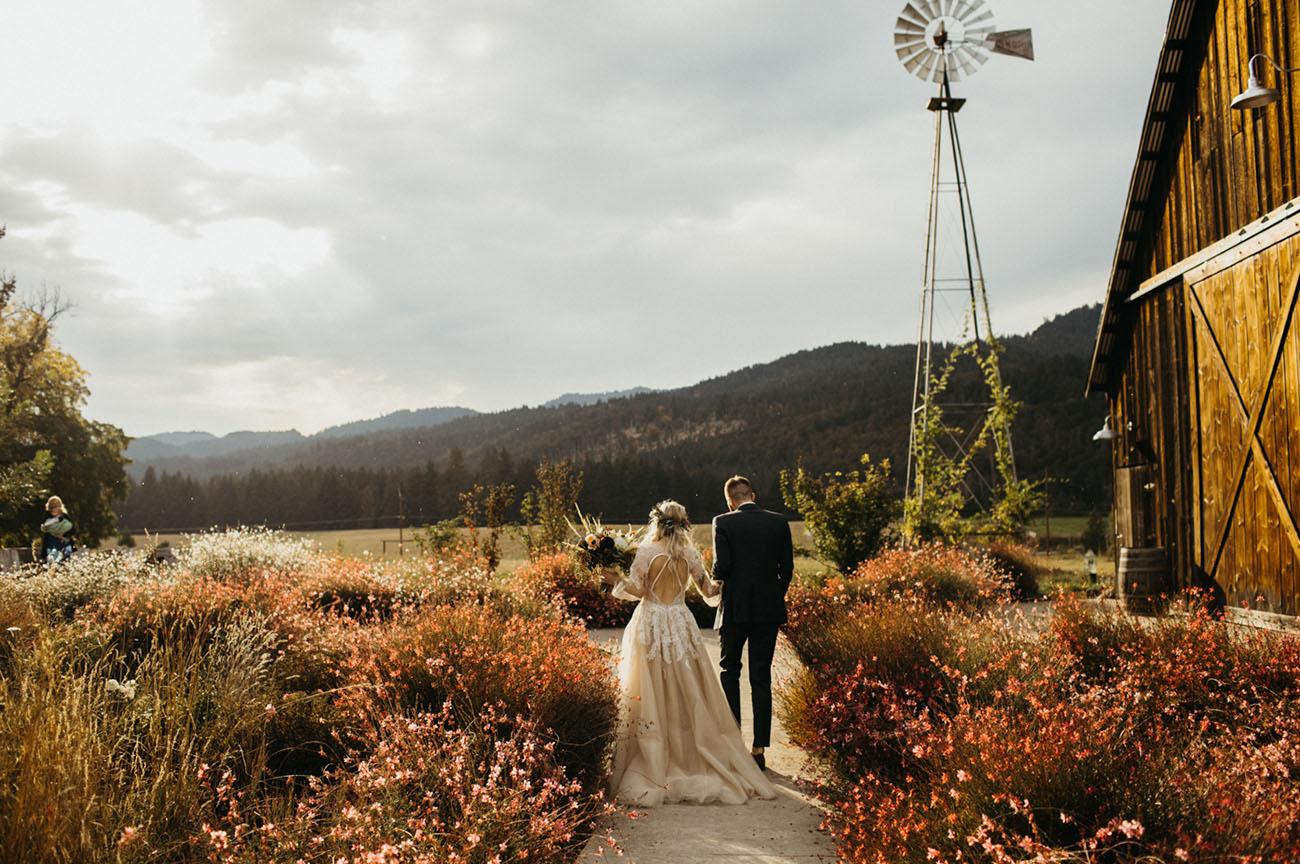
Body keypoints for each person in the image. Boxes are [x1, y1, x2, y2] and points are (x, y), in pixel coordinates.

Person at [604, 499, 776, 806]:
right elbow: (710, 590)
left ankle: (656, 757)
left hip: (652, 622)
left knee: (650, 688)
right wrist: (732, 578)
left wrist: (615, 580)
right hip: (680, 621)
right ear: (683, 524)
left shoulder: (646, 553)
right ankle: (694, 753)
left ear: (656, 522)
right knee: (688, 690)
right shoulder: (689, 554)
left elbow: (638, 590)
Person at [710, 475, 794, 772]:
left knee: (729, 671)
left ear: (730, 501)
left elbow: (724, 567)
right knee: (761, 676)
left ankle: (735, 743)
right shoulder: (779, 522)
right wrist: (773, 596)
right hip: (768, 610)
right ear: (753, 495)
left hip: (734, 609)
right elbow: (788, 569)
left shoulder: (723, 521)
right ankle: (759, 750)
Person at [40, 495, 76, 564]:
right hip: (51, 542)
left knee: (65, 557)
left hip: (64, 541)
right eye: (53, 506)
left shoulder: (64, 516)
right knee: (52, 557)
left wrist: (63, 536)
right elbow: (44, 528)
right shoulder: (47, 516)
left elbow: (72, 529)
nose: (55, 508)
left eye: (57, 505)